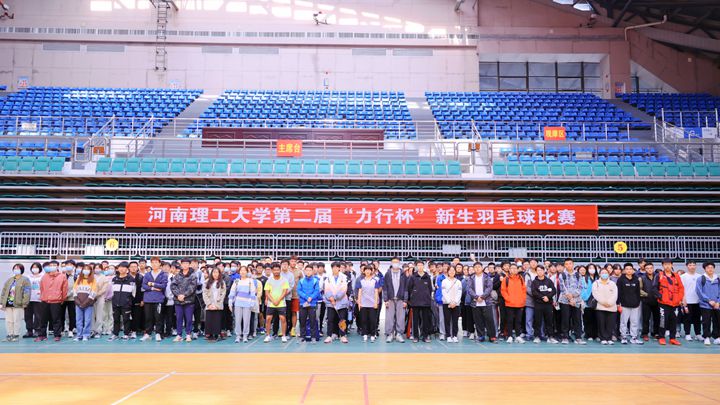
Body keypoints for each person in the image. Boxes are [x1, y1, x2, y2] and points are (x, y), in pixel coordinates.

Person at [653, 259, 684, 346]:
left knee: (674, 321)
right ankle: (661, 337)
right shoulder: (659, 275)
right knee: (663, 321)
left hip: (675, 303)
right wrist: (661, 297)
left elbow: (681, 288)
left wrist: (679, 299)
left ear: (672, 265)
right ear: (663, 265)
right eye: (665, 264)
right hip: (663, 303)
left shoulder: (677, 276)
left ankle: (672, 338)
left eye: (669, 264)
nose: (667, 266)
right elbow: (654, 288)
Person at [36, 261, 68, 342]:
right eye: (51, 265)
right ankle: (42, 335)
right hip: (45, 300)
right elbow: (41, 288)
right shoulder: (44, 276)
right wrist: (42, 297)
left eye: (54, 265)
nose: (52, 266)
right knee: (43, 319)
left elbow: (64, 289)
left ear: (57, 266)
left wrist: (62, 299)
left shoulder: (62, 276)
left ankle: (57, 335)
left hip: (56, 301)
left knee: (56, 319)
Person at [558, 259, 586, 345]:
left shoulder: (578, 275)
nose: (568, 265)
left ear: (573, 264)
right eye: (566, 264)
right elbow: (562, 288)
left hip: (576, 301)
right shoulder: (562, 275)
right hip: (564, 300)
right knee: (565, 319)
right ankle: (565, 337)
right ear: (564, 265)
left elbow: (580, 287)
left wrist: (573, 297)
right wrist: (570, 298)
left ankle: (578, 337)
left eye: (570, 264)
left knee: (577, 319)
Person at [0, 264, 31, 342]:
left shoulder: (25, 280)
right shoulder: (9, 280)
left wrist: (24, 303)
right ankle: (10, 334)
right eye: (15, 268)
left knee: (17, 320)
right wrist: (1, 302)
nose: (16, 269)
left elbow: (27, 292)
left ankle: (16, 335)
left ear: (22, 270)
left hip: (18, 304)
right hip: (8, 303)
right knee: (9, 320)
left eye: (18, 268)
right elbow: (3, 292)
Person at [467, 262, 496, 343]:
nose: (477, 268)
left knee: (489, 320)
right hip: (475, 302)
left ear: (482, 268)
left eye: (479, 267)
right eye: (475, 267)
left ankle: (492, 336)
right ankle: (481, 336)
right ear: (473, 268)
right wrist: (476, 297)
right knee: (478, 320)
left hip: (486, 302)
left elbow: (489, 288)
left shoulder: (487, 277)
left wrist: (482, 297)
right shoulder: (471, 278)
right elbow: (469, 289)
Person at [142, 257, 168, 342]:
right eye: (152, 262)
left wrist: (152, 284)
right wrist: (153, 288)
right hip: (148, 299)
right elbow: (144, 285)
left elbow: (163, 286)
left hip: (158, 299)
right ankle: (148, 334)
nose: (154, 264)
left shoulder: (163, 274)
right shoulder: (147, 274)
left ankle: (158, 333)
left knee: (158, 317)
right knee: (148, 317)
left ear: (160, 263)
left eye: (156, 262)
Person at [616, 263, 643, 345]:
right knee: (624, 321)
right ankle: (623, 337)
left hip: (635, 304)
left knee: (634, 321)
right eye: (627, 269)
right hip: (624, 304)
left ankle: (634, 337)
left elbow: (638, 292)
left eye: (630, 269)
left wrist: (638, 302)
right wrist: (618, 303)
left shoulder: (636, 279)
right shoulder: (621, 280)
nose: (629, 270)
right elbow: (618, 292)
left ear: (633, 270)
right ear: (624, 270)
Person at [382, 257, 408, 343]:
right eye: (394, 262)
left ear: (399, 263)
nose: (395, 264)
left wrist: (405, 300)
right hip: (390, 299)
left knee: (400, 317)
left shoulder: (403, 274)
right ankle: (389, 334)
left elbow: (406, 288)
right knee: (389, 318)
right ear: (391, 263)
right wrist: (385, 299)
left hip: (400, 299)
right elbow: (385, 288)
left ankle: (399, 334)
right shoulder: (387, 274)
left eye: (397, 262)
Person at [229, 266, 257, 343]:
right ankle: (238, 336)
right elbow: (232, 292)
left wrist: (252, 302)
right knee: (237, 320)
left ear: (247, 272)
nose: (243, 272)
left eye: (244, 270)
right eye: (241, 270)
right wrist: (230, 302)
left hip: (247, 304)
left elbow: (253, 292)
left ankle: (245, 336)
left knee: (246, 320)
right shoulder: (236, 281)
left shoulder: (250, 281)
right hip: (238, 303)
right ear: (239, 272)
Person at [171, 260, 197, 343]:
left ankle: (188, 334)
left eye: (187, 263)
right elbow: (173, 286)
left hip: (189, 300)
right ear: (181, 265)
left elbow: (192, 287)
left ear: (189, 265)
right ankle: (179, 335)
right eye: (183, 263)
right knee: (179, 318)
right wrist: (178, 295)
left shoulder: (193, 275)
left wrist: (184, 295)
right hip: (178, 300)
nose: (185, 265)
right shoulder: (177, 275)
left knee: (189, 319)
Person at [407, 260, 433, 343]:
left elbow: (430, 289)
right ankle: (415, 336)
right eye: (418, 265)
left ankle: (425, 336)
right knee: (415, 320)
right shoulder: (413, 277)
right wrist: (411, 299)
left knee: (425, 320)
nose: (420, 267)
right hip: (415, 302)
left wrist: (427, 296)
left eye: (421, 265)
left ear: (423, 266)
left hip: (425, 302)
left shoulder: (427, 277)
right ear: (416, 267)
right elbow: (409, 288)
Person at [323, 261, 349, 344]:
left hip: (342, 301)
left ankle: (343, 335)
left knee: (342, 320)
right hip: (331, 302)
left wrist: (336, 298)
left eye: (336, 267)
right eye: (333, 267)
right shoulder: (327, 277)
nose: (335, 269)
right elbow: (326, 289)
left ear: (339, 268)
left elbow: (344, 289)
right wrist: (331, 298)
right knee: (330, 319)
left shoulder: (344, 277)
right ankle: (329, 336)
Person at [531, 265, 558, 344]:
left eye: (541, 270)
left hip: (548, 304)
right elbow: (534, 292)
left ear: (544, 271)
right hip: (538, 304)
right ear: (536, 272)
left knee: (549, 321)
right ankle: (537, 336)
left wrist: (548, 297)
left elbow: (554, 290)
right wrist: (542, 297)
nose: (540, 272)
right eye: (538, 270)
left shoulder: (549, 281)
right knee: (537, 321)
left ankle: (550, 337)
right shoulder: (534, 282)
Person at [264, 263, 290, 343]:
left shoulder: (284, 280)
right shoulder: (269, 280)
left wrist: (278, 300)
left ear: (280, 270)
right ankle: (267, 335)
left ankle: (284, 335)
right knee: (268, 319)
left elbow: (285, 292)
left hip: (281, 303)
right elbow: (267, 292)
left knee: (283, 319)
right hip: (271, 304)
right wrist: (272, 300)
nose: (276, 271)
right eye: (274, 270)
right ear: (272, 271)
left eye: (277, 270)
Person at [110, 262, 136, 341]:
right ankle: (115, 334)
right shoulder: (114, 279)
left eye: (124, 267)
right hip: (115, 303)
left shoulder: (131, 279)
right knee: (116, 319)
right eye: (120, 267)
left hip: (126, 304)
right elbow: (111, 291)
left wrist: (128, 301)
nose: (122, 269)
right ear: (118, 268)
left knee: (126, 319)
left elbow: (134, 293)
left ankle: (126, 334)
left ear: (127, 269)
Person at [500, 264, 526, 343]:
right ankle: (510, 336)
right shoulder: (506, 279)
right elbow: (503, 290)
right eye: (512, 268)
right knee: (509, 320)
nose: (514, 270)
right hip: (509, 303)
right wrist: (508, 299)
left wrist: (522, 299)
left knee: (518, 321)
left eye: (515, 268)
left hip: (519, 304)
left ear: (518, 270)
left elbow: (524, 290)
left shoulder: (521, 278)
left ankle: (518, 336)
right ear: (509, 269)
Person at [696, 262, 720, 346]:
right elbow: (699, 291)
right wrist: (708, 300)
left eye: (712, 267)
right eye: (708, 267)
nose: (710, 269)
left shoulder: (718, 279)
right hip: (705, 305)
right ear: (705, 269)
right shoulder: (701, 279)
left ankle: (717, 337)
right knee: (706, 322)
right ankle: (707, 337)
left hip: (717, 305)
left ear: (714, 269)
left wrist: (718, 302)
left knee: (717, 321)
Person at [593, 268, 618, 345]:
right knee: (601, 323)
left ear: (609, 274)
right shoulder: (596, 283)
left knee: (610, 323)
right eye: (602, 273)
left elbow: (615, 294)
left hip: (611, 306)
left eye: (606, 273)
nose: (604, 274)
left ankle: (609, 338)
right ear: (599, 274)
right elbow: (595, 294)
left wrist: (610, 303)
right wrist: (603, 302)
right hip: (600, 306)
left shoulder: (612, 283)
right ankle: (603, 338)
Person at [297, 265, 322, 343]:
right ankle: (302, 337)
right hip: (303, 303)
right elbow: (299, 290)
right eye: (307, 270)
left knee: (313, 321)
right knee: (302, 320)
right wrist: (306, 297)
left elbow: (317, 291)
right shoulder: (301, 281)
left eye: (310, 270)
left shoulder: (315, 281)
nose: (308, 272)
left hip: (312, 303)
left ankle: (313, 337)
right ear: (304, 271)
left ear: (312, 271)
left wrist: (311, 297)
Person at [73, 265, 97, 342]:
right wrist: (78, 302)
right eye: (84, 269)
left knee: (87, 320)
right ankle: (79, 335)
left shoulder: (93, 280)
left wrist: (85, 303)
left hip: (88, 304)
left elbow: (93, 292)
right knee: (78, 320)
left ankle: (86, 335)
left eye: (88, 269)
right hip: (78, 304)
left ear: (90, 271)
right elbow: (74, 291)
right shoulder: (78, 279)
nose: (86, 270)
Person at [357, 265, 380, 343]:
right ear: (363, 271)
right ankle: (365, 334)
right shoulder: (361, 281)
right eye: (366, 270)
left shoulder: (375, 280)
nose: (367, 271)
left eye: (369, 270)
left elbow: (376, 292)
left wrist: (376, 302)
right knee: (364, 320)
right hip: (363, 304)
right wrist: (359, 303)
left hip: (372, 304)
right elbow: (360, 292)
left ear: (371, 271)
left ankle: (373, 335)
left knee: (372, 320)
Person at [680, 260, 702, 341]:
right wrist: (683, 299)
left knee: (697, 319)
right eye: (690, 265)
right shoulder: (683, 276)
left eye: (693, 265)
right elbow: (681, 289)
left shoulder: (700, 276)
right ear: (687, 266)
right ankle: (687, 334)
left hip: (698, 301)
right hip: (687, 301)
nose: (692, 266)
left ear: (696, 266)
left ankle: (698, 334)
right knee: (687, 318)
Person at [203, 267, 226, 342]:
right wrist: (209, 304)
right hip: (209, 305)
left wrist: (217, 305)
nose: (215, 274)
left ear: (219, 273)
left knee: (217, 320)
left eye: (217, 272)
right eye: (214, 272)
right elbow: (204, 293)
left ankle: (216, 335)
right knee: (209, 320)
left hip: (218, 305)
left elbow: (223, 294)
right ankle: (210, 335)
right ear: (211, 273)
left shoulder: (222, 282)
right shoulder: (207, 282)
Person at [441, 266, 462, 343]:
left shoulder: (458, 282)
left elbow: (459, 293)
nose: (452, 272)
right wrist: (449, 302)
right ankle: (448, 336)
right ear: (448, 272)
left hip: (456, 304)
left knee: (455, 321)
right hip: (446, 303)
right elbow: (444, 292)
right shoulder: (444, 281)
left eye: (453, 270)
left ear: (455, 272)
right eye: (450, 270)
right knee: (447, 320)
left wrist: (455, 302)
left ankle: (455, 336)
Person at [640, 263, 660, 341]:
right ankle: (645, 333)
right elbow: (639, 289)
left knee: (657, 318)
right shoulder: (642, 278)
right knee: (646, 318)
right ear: (645, 269)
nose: (649, 269)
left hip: (657, 301)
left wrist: (658, 295)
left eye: (651, 268)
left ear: (653, 268)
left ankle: (655, 333)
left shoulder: (658, 277)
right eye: (647, 268)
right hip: (646, 301)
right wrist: (647, 294)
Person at [23, 263, 43, 339]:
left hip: (38, 299)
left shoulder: (43, 276)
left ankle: (37, 330)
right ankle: (29, 330)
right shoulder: (28, 277)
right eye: (33, 267)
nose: (35, 269)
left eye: (36, 267)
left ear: (39, 268)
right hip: (28, 299)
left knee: (38, 316)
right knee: (27, 315)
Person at [60, 261, 76, 339]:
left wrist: (68, 295)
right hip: (62, 298)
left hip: (72, 298)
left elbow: (75, 287)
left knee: (72, 315)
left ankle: (71, 330)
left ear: (73, 266)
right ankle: (62, 329)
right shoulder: (61, 276)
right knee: (61, 315)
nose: (69, 266)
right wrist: (62, 295)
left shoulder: (76, 276)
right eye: (67, 265)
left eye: (70, 265)